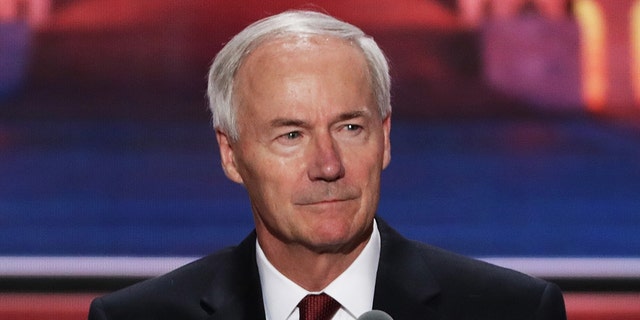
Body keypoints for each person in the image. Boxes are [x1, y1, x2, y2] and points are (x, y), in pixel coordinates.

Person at [88, 10, 566, 320]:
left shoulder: (513, 312)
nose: (328, 165)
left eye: (350, 128)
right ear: (230, 155)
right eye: (291, 134)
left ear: (385, 139)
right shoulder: (136, 319)